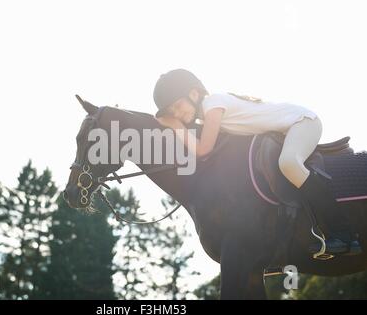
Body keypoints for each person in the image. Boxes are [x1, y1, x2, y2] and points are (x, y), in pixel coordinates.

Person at [153, 68, 361, 256]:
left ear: (194, 94)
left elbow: (203, 149)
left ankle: (343, 234)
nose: (177, 114)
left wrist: (175, 126)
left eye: (178, 106)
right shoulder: (207, 114)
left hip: (302, 122)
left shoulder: (212, 104)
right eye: (172, 112)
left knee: (289, 164)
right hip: (288, 130)